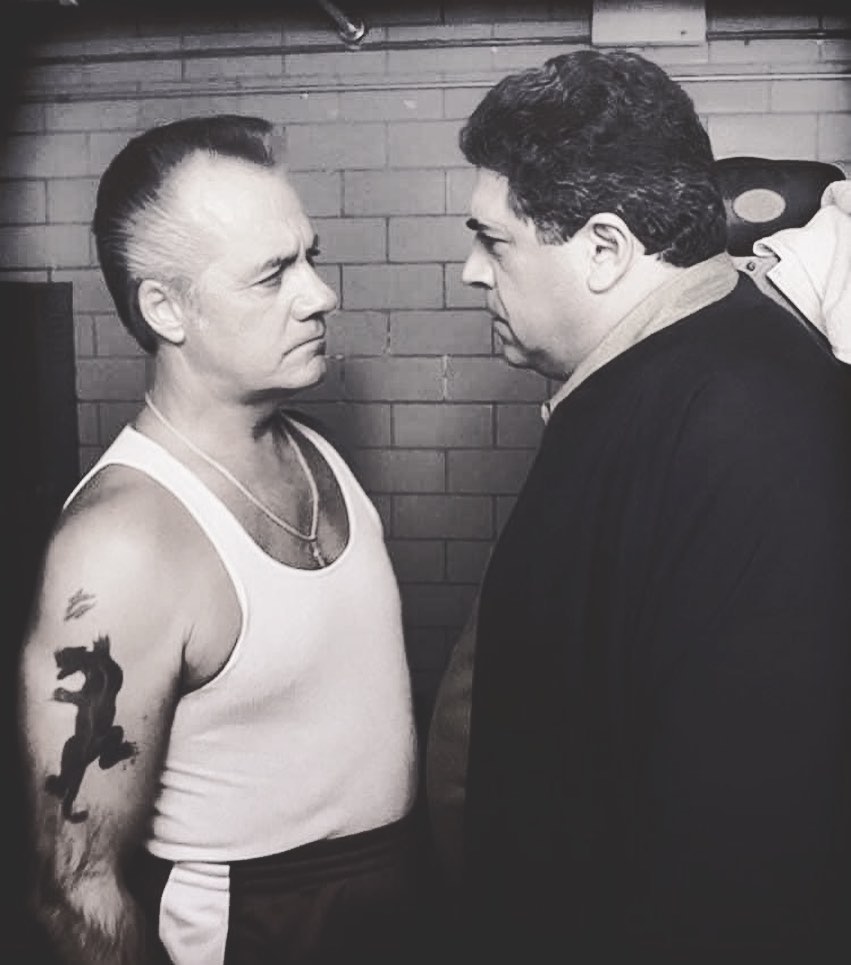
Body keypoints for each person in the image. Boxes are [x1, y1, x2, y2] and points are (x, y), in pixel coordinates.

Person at [426, 49, 851, 963]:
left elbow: (742, 850)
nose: (470, 271)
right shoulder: (663, 376)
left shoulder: (746, 418)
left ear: (606, 249)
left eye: (493, 240)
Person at [17, 114, 433, 965]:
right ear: (165, 308)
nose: (319, 294)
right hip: (254, 928)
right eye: (272, 274)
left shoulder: (313, 447)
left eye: (310, 257)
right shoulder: (121, 546)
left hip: (389, 902)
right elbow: (77, 885)